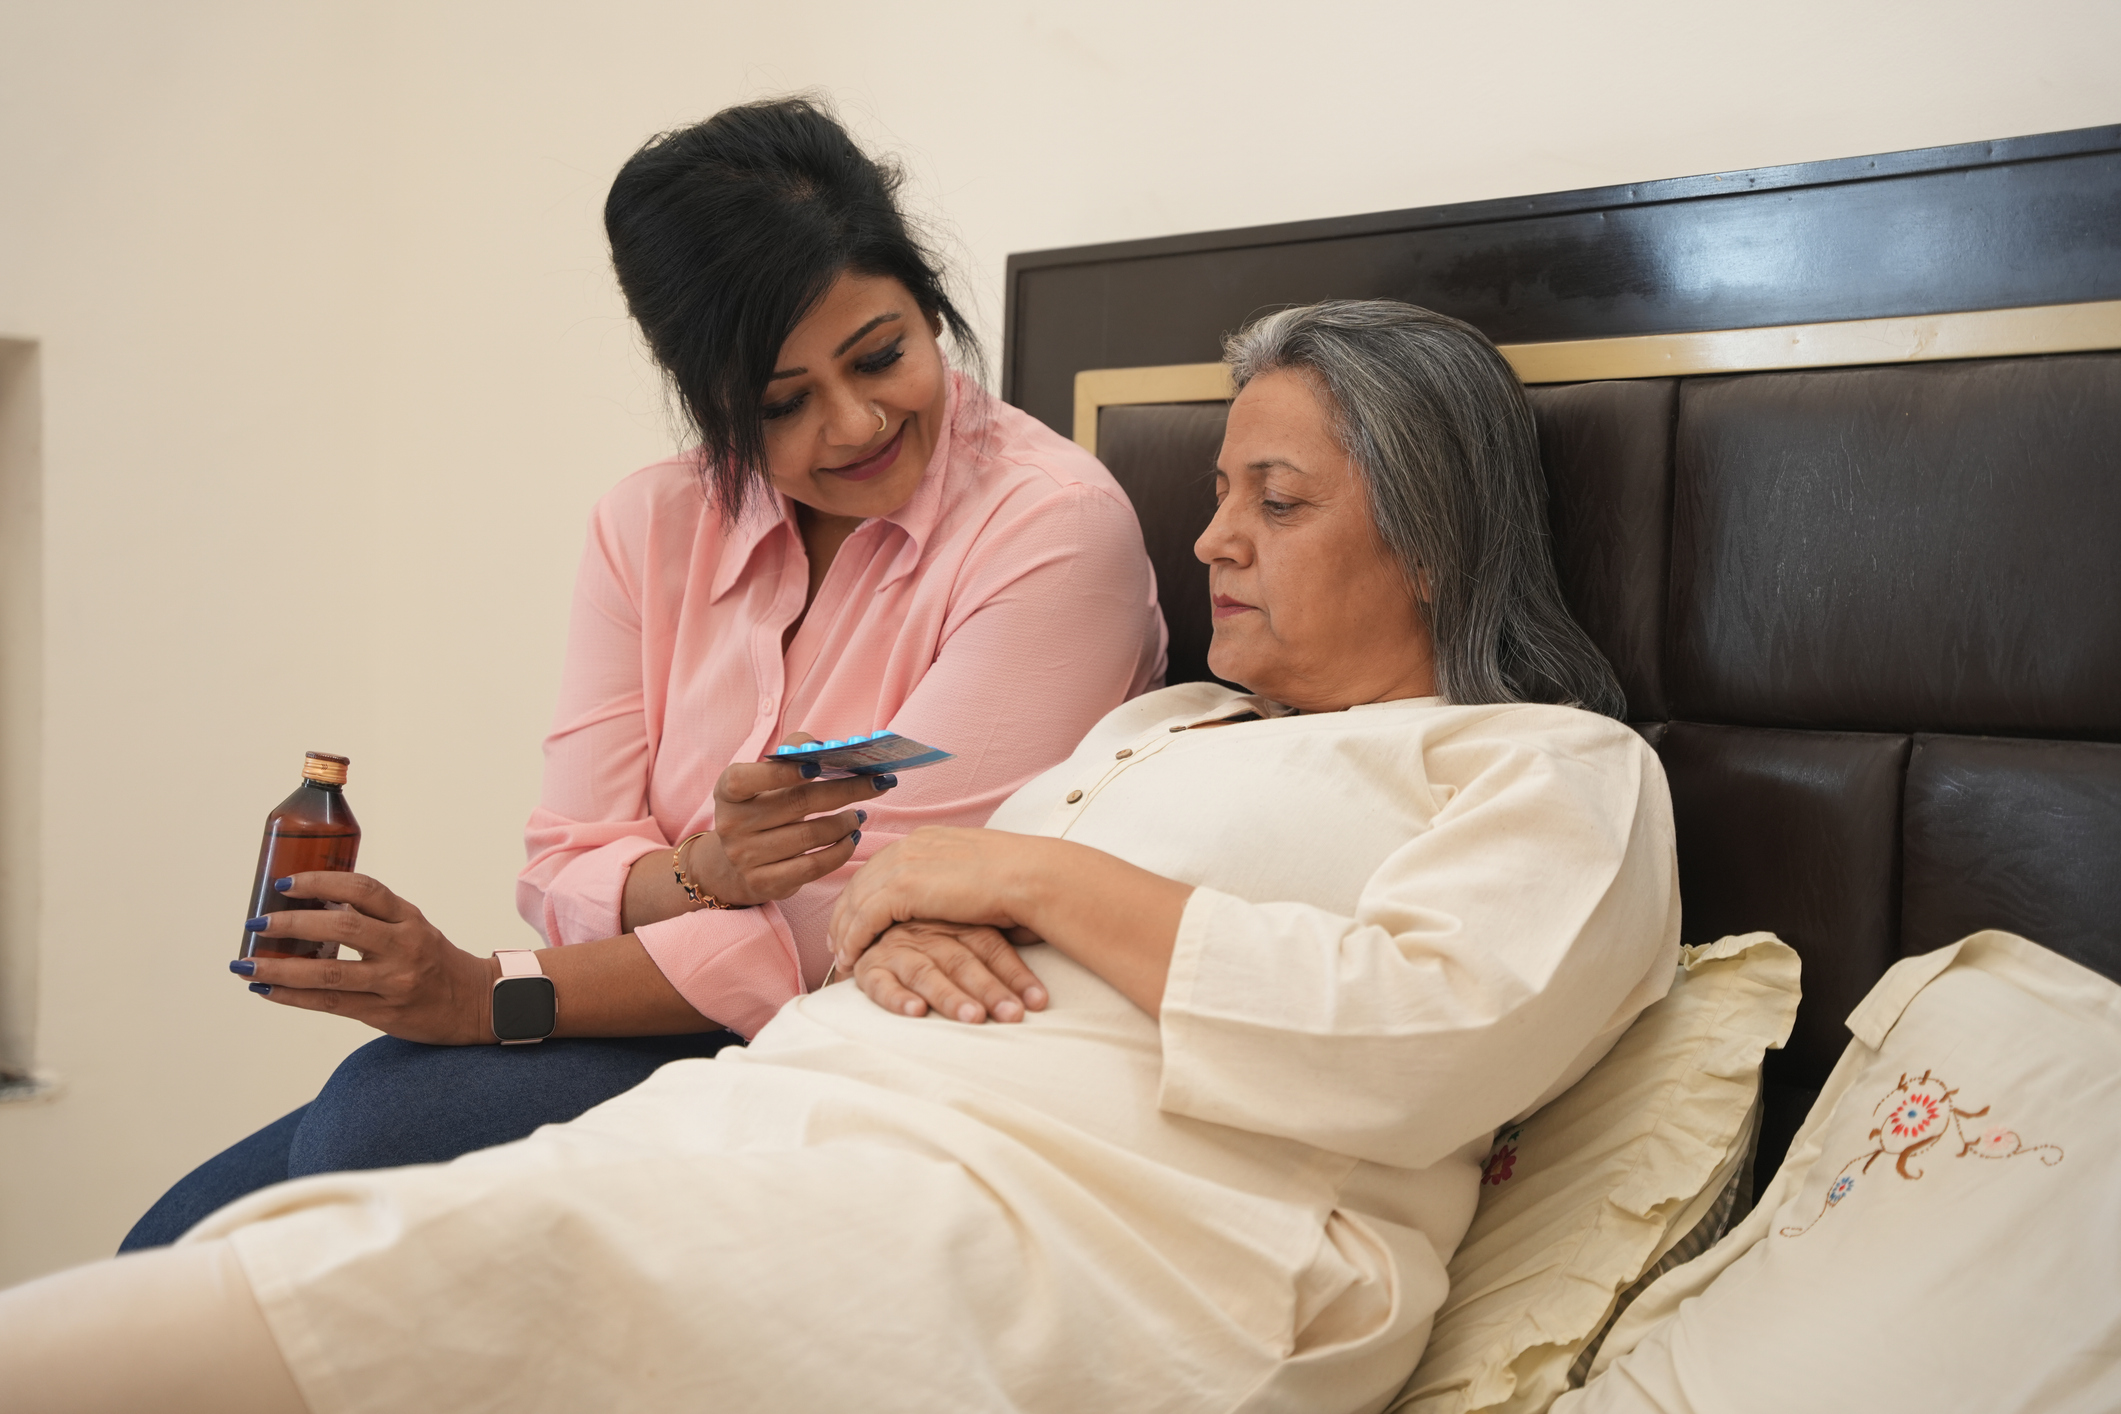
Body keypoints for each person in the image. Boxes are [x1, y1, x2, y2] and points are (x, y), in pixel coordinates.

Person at [4, 300, 1680, 1414]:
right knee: (314, 1235)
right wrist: (891, 917)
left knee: (447, 1268)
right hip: (811, 1108)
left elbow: (1423, 1037)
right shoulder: (1162, 726)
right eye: (1222, 489)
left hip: (1104, 1231)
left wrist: (1014, 881)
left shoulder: (1545, 765)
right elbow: (883, 877)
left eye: (1278, 499)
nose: (1210, 533)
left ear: (1437, 525)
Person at [118, 97, 1166, 1249]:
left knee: (380, 1122)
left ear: (927, 304)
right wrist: (710, 869)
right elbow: (567, 856)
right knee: (166, 1243)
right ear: (708, 399)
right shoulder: (650, 525)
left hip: (870, 1031)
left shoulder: (1056, 531)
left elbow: (857, 913)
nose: (860, 420)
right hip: (658, 1002)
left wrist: (486, 994)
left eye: (884, 355)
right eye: (781, 403)